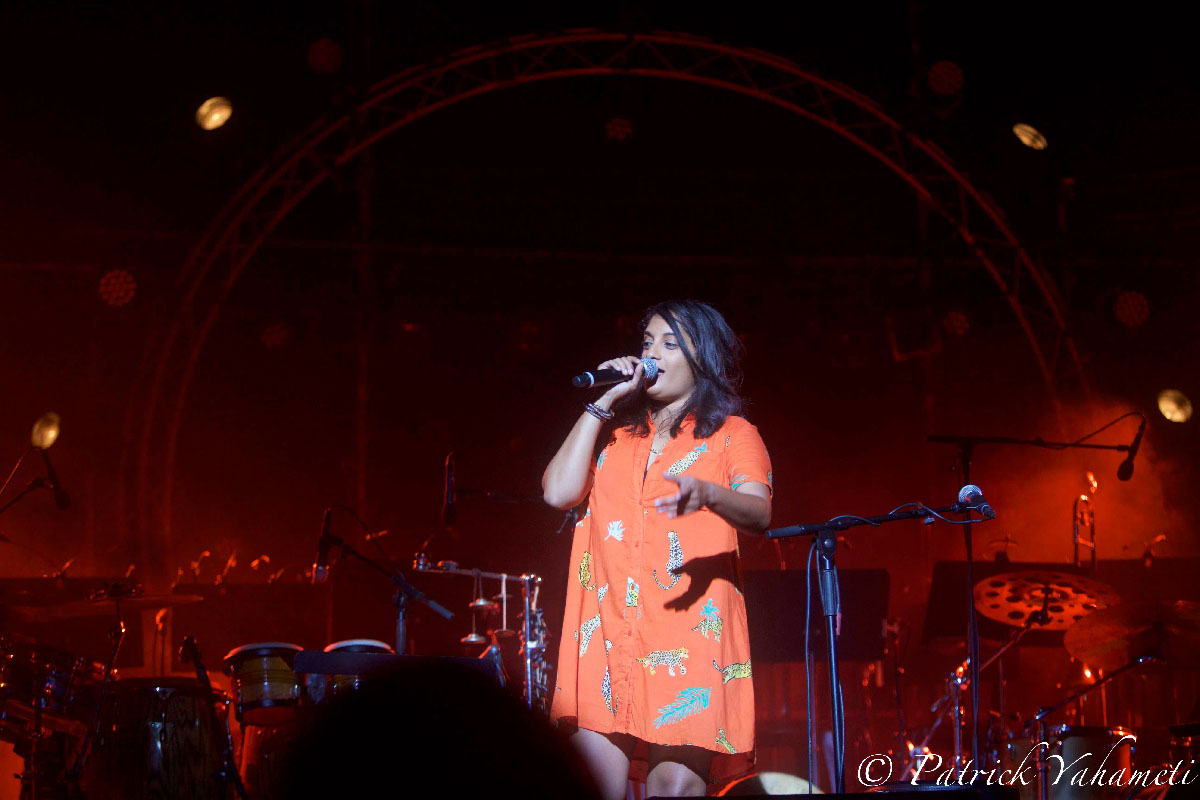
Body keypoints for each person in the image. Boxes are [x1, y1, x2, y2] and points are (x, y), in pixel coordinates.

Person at [543, 300, 772, 800]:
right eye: (647, 343)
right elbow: (557, 492)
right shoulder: (617, 438)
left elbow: (759, 513)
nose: (652, 354)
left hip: (688, 641)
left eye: (671, 344)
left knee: (673, 790)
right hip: (605, 636)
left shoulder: (734, 436)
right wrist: (602, 403)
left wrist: (710, 493)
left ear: (702, 358)